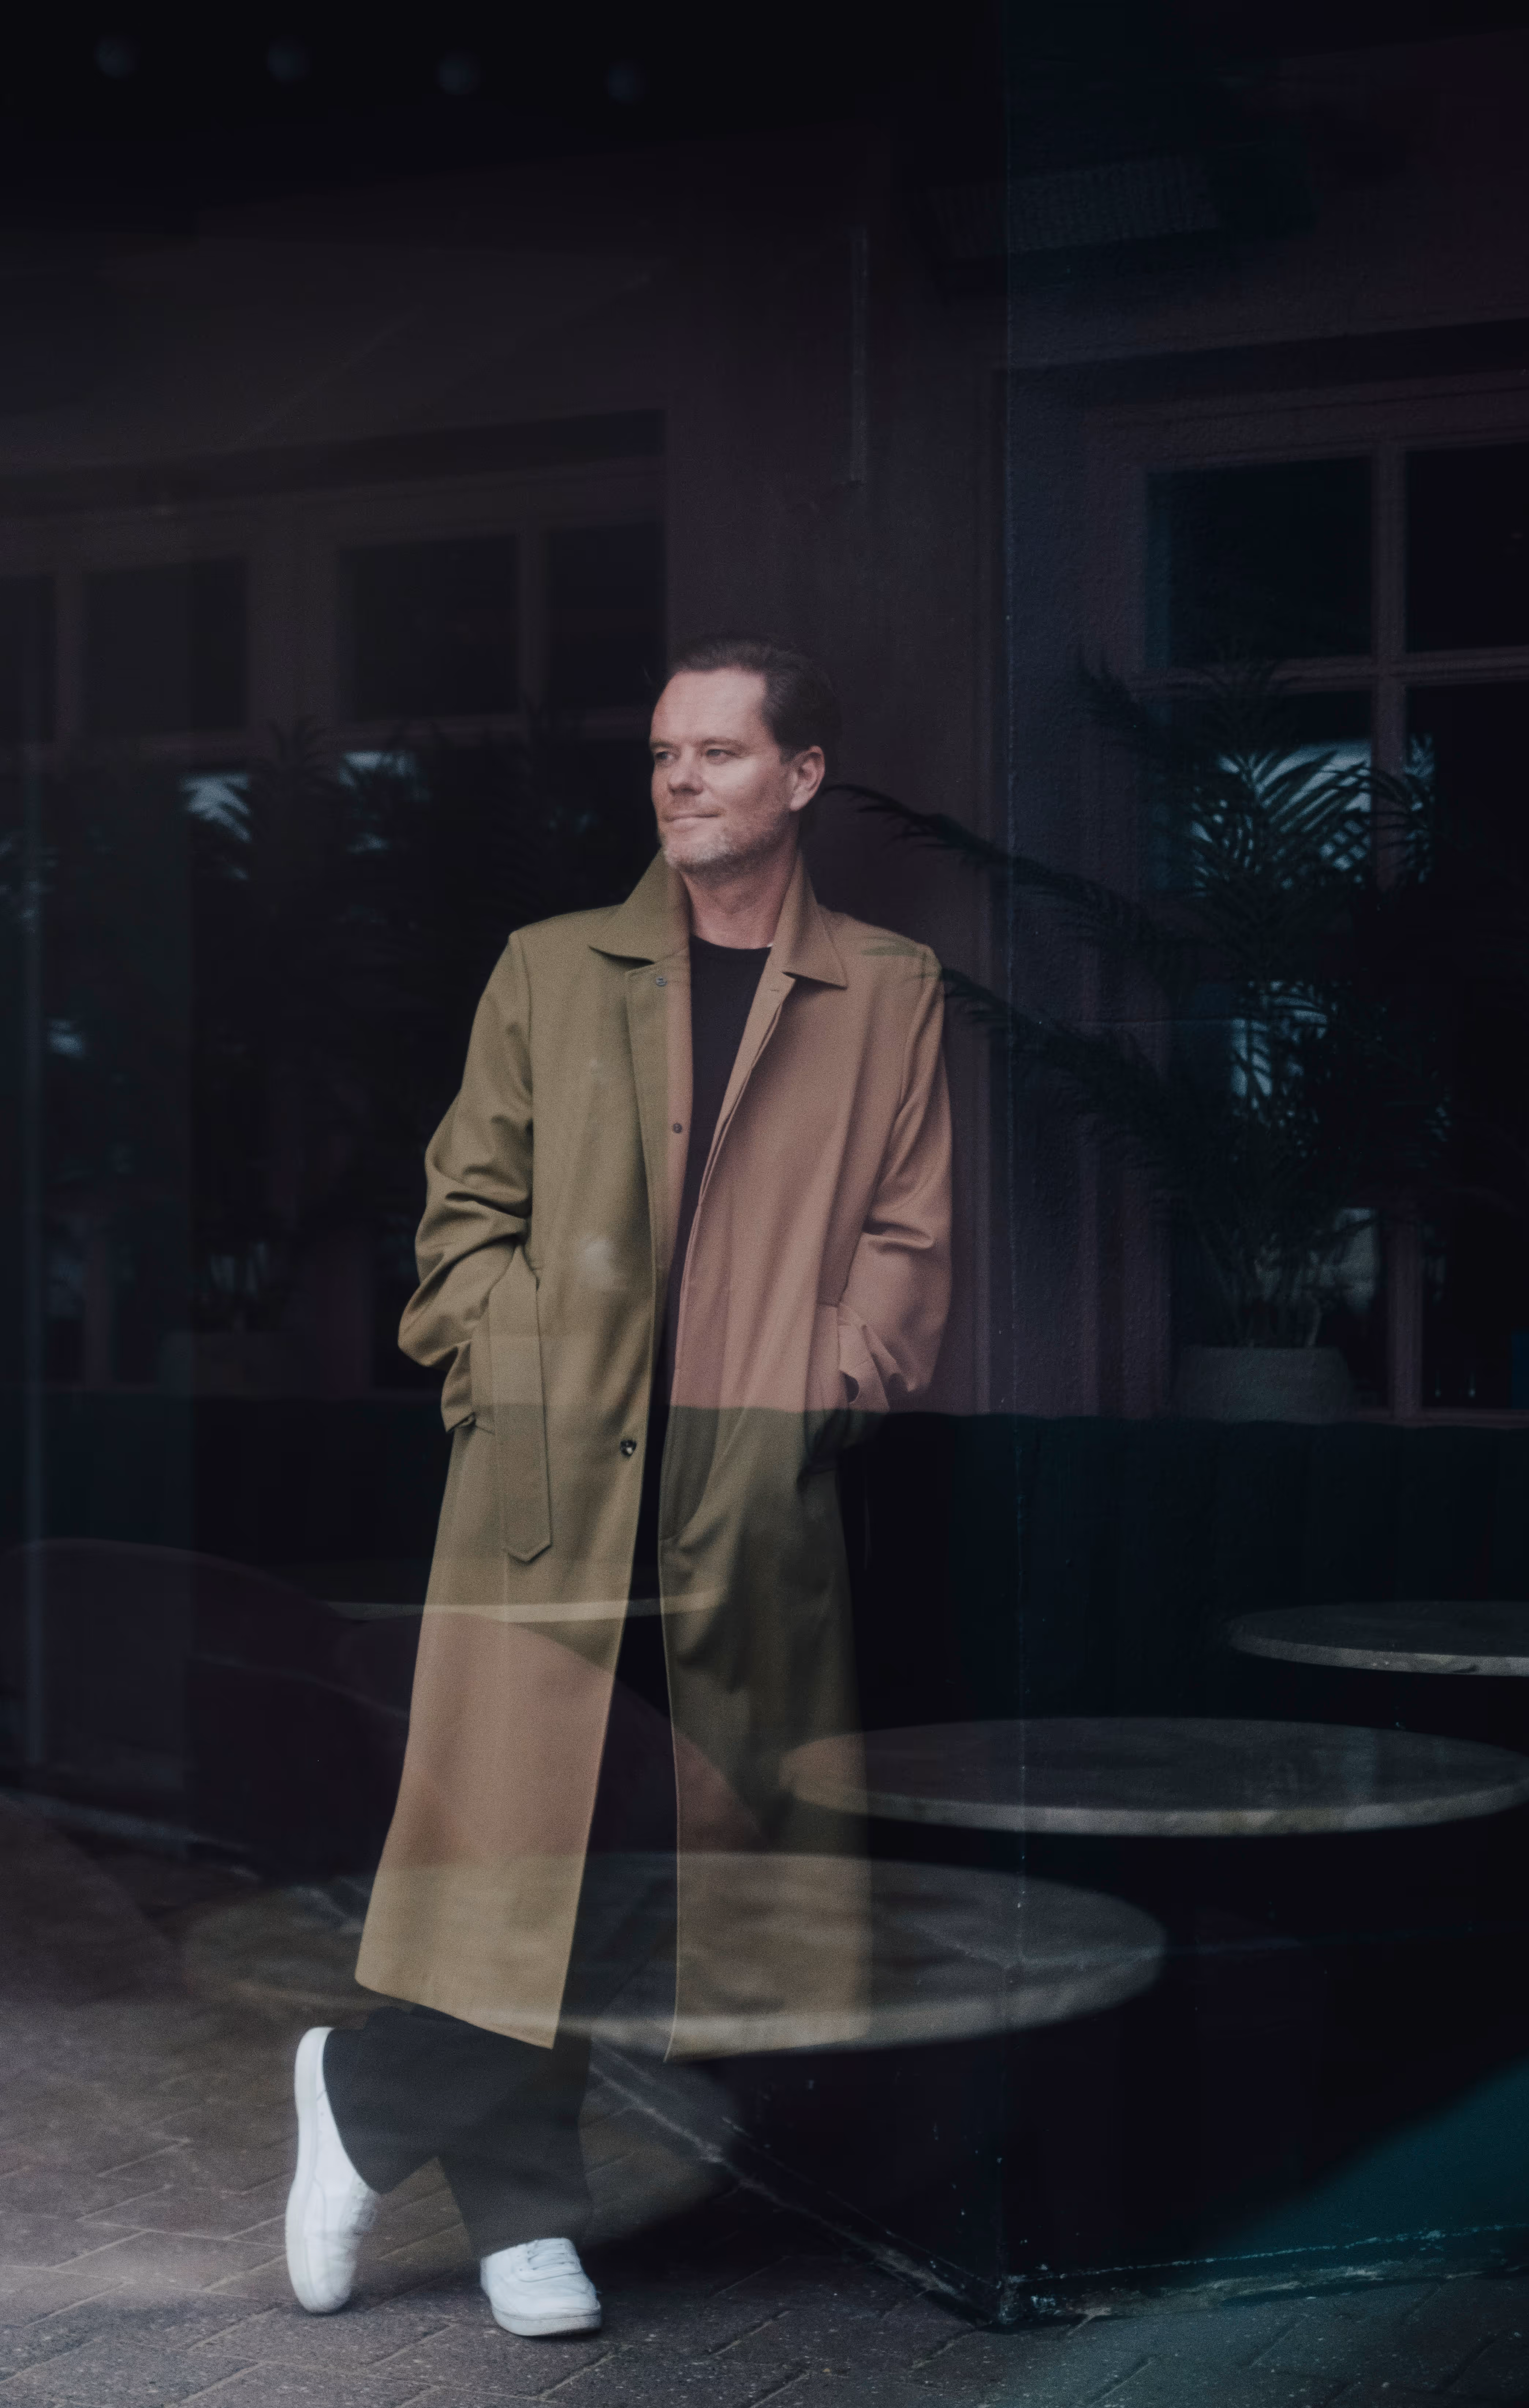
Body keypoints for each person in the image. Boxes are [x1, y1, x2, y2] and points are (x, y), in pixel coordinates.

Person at [284, 632, 954, 2337]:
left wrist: (822, 1388)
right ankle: (523, 2214)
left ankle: (364, 2102)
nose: (678, 780)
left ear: (801, 777)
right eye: (663, 753)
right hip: (549, 1485)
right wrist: (525, 1384)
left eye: (719, 754)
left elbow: (904, 1236)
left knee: (663, 1853)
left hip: (742, 1497)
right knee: (529, 1846)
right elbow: (457, 1233)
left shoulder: (888, 988)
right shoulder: (550, 967)